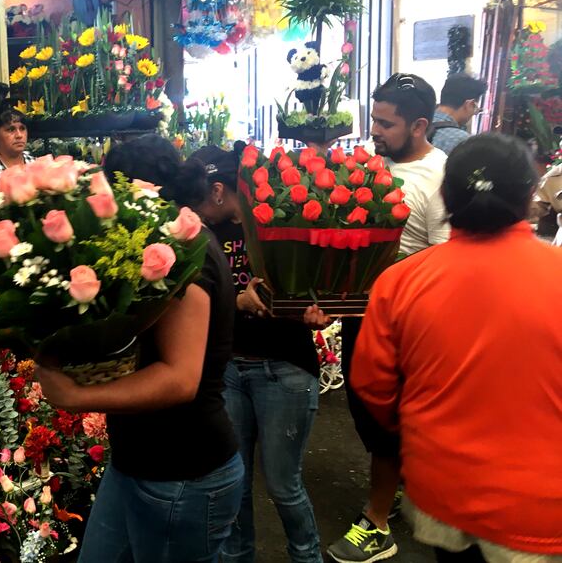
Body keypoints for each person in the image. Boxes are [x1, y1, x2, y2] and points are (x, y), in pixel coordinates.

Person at [350, 133, 562, 562]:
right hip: (542, 505)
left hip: (442, 489)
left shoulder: (400, 281)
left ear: (445, 196)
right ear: (529, 198)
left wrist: (417, 428)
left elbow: (372, 385)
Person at [35, 135, 243, 562]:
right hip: (138, 461)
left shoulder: (188, 254)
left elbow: (180, 379)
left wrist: (78, 396)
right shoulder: (154, 247)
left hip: (182, 472)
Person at [329, 73, 451, 563]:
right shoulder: (372, 166)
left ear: (419, 125)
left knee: (387, 419)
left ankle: (377, 522)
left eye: (386, 124)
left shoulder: (440, 177)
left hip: (409, 323)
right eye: (374, 121)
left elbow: (446, 261)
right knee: (365, 408)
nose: (375, 131)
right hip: (362, 313)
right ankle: (397, 483)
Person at [189, 144, 327, 563]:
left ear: (217, 191)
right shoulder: (202, 236)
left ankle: (307, 557)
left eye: (197, 197)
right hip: (229, 371)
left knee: (284, 486)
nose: (192, 209)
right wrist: (237, 302)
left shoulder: (278, 224)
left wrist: (320, 308)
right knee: (236, 484)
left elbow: (316, 287)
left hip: (285, 369)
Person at [428, 74, 487, 155]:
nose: (474, 114)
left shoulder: (417, 123)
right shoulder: (462, 141)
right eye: (475, 108)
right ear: (470, 104)